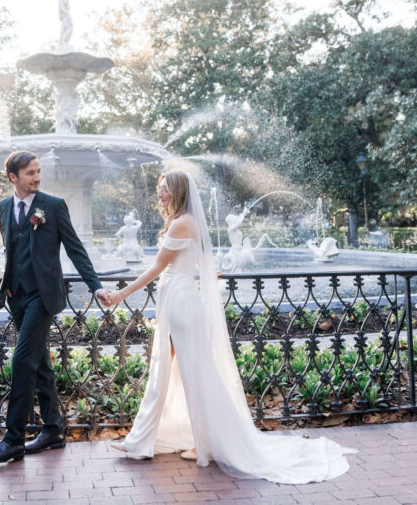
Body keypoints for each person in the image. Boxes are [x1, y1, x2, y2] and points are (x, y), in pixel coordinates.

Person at [106, 170, 355, 483]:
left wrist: (119, 294)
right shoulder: (187, 222)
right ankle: (163, 439)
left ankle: (196, 443)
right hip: (181, 299)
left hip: (180, 302)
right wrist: (210, 274)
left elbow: (157, 267)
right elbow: (199, 259)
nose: (160, 195)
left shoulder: (182, 222)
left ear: (179, 191)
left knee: (186, 372)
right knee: (177, 371)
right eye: (159, 189)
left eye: (165, 190)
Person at [0, 150, 114, 463]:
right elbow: (10, 249)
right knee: (40, 365)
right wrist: (9, 283)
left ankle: (13, 440)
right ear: (13, 177)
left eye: (38, 172)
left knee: (23, 361)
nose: (37, 177)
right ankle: (53, 430)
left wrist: (96, 287)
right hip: (18, 297)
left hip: (44, 296)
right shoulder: (2, 207)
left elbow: (75, 249)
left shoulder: (52, 206)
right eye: (30, 173)